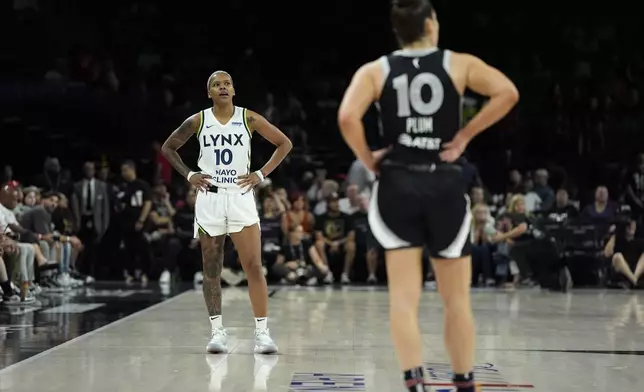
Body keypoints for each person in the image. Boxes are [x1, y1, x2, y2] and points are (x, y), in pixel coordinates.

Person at [337, 1, 519, 391]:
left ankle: (415, 382)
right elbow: (507, 92)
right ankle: (465, 382)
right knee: (457, 300)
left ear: (397, 32)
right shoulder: (458, 63)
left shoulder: (376, 70)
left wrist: (368, 160)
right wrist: (465, 135)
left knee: (404, 298)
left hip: (398, 183)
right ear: (432, 25)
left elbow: (347, 118)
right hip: (445, 183)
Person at [161, 70, 292, 354]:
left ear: (234, 90)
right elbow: (168, 148)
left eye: (227, 83)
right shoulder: (198, 120)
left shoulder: (248, 118)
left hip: (240, 196)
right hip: (209, 198)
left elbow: (284, 143)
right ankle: (217, 331)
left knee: (254, 267)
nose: (222, 87)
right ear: (209, 93)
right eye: (216, 84)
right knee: (212, 268)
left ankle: (262, 333)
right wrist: (188, 175)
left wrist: (260, 174)